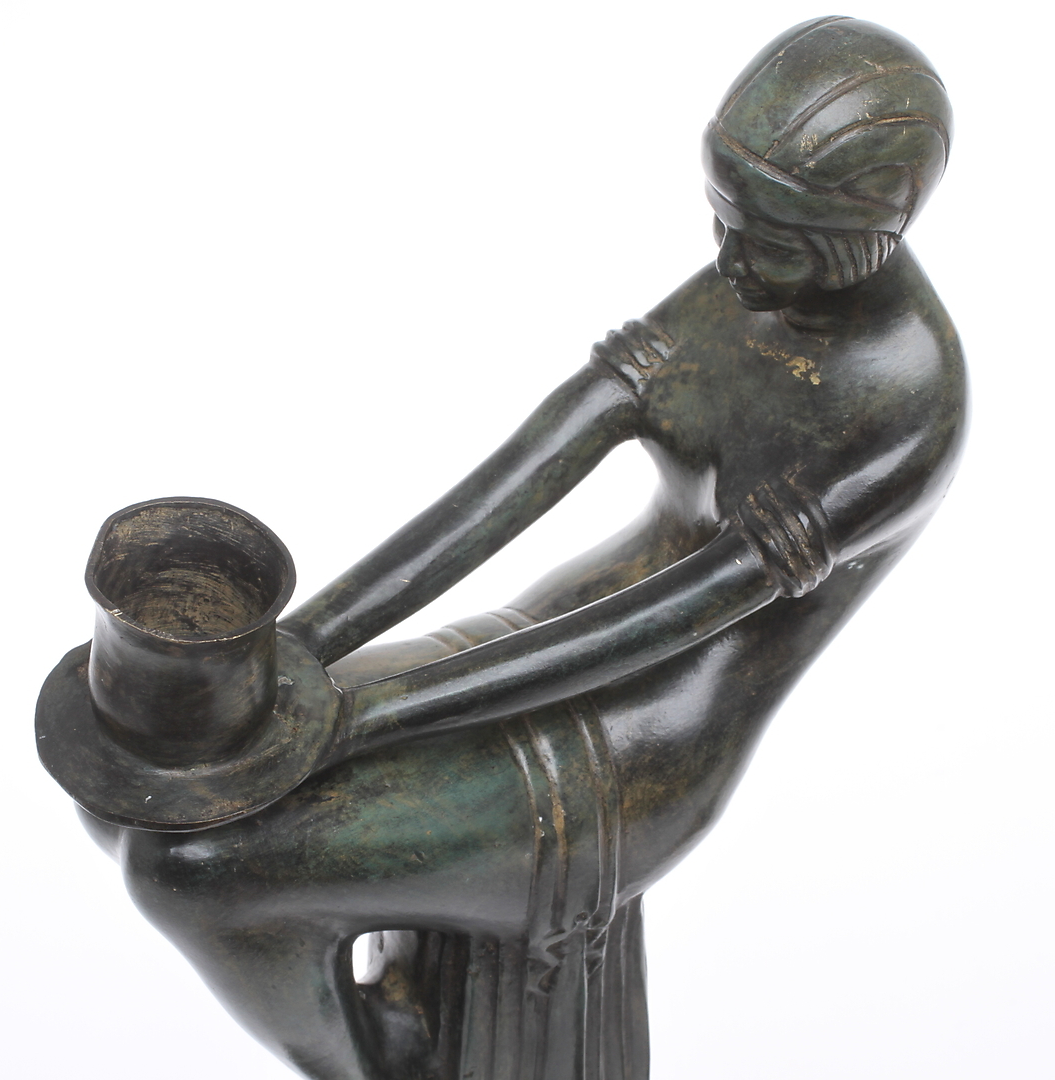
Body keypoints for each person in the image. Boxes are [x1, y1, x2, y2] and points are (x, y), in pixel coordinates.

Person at [89, 18, 965, 1080]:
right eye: (723, 219)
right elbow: (521, 475)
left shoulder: (908, 405)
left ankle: (375, 1062)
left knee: (191, 868)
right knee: (131, 788)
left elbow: (679, 612)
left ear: (866, 233)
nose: (730, 261)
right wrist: (301, 645)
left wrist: (361, 717)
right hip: (538, 637)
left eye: (770, 241)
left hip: (643, 738)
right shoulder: (752, 282)